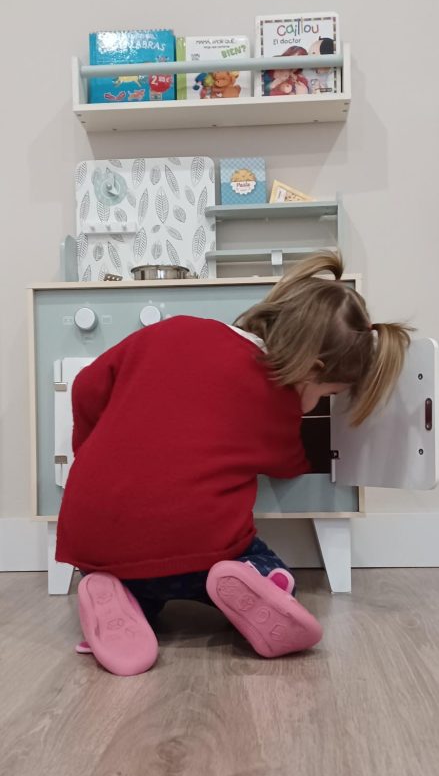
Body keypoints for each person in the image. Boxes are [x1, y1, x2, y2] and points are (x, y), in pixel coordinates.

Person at [56, 252, 410, 676]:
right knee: (252, 560)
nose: (317, 403)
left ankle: (117, 594)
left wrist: (90, 447)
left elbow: (85, 386)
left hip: (93, 535)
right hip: (197, 549)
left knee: (137, 575)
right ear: (311, 368)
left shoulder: (176, 328)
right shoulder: (276, 400)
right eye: (324, 394)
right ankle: (264, 579)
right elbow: (287, 463)